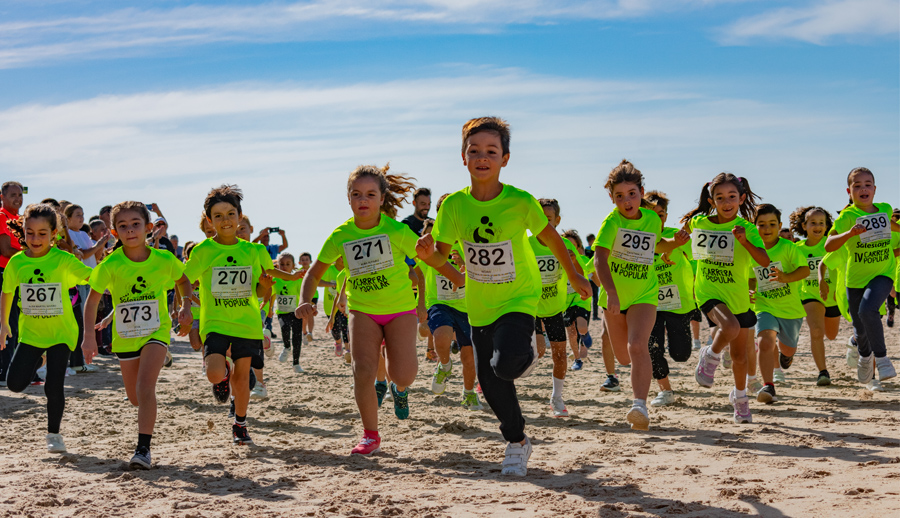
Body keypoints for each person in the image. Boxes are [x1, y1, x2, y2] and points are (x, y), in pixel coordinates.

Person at [417, 117, 591, 476]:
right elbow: (444, 260)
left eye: (491, 151)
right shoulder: (454, 207)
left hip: (518, 297)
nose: (482, 157)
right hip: (479, 305)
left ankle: (523, 355)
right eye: (474, 150)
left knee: (506, 363)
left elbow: (550, 238)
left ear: (505, 158)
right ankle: (517, 442)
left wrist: (574, 272)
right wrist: (428, 256)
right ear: (463, 157)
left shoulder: (520, 201)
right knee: (493, 385)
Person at [296, 164, 426, 456]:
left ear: (382, 199)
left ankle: (399, 390)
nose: (363, 200)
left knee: (403, 375)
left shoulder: (397, 231)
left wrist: (422, 306)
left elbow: (423, 267)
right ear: (349, 199)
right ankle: (370, 435)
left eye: (370, 194)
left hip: (399, 309)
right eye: (356, 194)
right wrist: (306, 300)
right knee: (362, 370)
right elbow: (313, 273)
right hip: (362, 310)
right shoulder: (340, 235)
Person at [81, 201, 193, 468]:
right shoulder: (111, 264)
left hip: (156, 331)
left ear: (148, 228)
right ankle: (160, 360)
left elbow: (183, 280)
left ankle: (143, 450)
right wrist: (87, 336)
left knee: (145, 389)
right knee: (135, 397)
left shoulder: (164, 259)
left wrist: (186, 305)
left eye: (135, 224)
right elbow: (92, 301)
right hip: (126, 336)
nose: (130, 230)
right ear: (114, 231)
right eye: (123, 226)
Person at [593, 161, 686, 430]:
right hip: (614, 297)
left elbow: (657, 245)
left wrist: (674, 243)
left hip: (644, 293)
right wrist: (610, 292)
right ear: (612, 198)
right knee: (623, 357)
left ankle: (639, 407)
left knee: (638, 346)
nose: (627, 201)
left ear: (641, 192)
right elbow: (599, 258)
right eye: (619, 196)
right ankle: (638, 396)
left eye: (632, 194)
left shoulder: (652, 219)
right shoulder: (612, 222)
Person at [184, 185, 276, 446]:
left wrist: (266, 287)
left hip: (246, 322)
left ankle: (240, 424)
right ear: (209, 220)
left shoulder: (255, 252)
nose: (225, 220)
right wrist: (186, 306)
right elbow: (184, 281)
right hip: (215, 321)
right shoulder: (203, 251)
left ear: (240, 215)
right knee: (214, 373)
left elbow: (259, 290)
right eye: (218, 216)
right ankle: (222, 376)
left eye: (231, 213)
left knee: (243, 378)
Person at [0, 203, 92, 453]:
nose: (36, 238)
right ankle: (39, 360)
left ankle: (54, 434)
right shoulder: (17, 263)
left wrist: (116, 273)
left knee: (54, 386)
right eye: (30, 232)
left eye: (43, 233)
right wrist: (3, 324)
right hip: (31, 333)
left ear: (54, 233)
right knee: (15, 384)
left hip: (61, 332)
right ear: (23, 231)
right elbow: (7, 291)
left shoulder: (62, 259)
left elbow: (89, 277)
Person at [684, 173, 769, 424]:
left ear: (741, 198)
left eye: (732, 196)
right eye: (720, 197)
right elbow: (680, 236)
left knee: (740, 357)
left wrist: (743, 241)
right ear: (712, 201)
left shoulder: (748, 229)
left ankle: (740, 398)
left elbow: (764, 260)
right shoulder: (699, 222)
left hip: (739, 297)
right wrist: (670, 248)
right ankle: (710, 355)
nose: (726, 202)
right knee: (728, 326)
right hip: (708, 291)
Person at [825, 167, 898, 387]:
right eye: (857, 186)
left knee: (868, 310)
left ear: (874, 189)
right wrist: (850, 234)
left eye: (867, 184)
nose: (863, 189)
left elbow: (893, 227)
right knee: (860, 328)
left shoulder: (884, 209)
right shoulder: (847, 216)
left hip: (884, 273)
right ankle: (865, 357)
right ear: (849, 191)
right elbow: (829, 244)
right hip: (855, 279)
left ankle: (883, 359)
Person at [420, 203, 482, 411]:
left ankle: (469, 393)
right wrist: (419, 306)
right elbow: (417, 275)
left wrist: (467, 268)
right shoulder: (431, 244)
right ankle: (444, 365)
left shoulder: (468, 240)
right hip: (440, 301)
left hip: (467, 305)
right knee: (442, 336)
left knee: (469, 356)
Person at [749, 204, 810, 404]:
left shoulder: (788, 247)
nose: (767, 229)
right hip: (764, 305)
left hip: (790, 309)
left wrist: (785, 277)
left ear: (780, 225)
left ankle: (786, 357)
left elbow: (804, 270)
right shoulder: (752, 251)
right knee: (765, 341)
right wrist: (750, 289)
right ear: (754, 226)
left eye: (772, 224)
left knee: (788, 349)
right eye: (762, 224)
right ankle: (769, 385)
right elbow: (751, 277)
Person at [643, 191, 697, 407]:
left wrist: (695, 285)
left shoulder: (678, 235)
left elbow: (696, 261)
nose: (658, 218)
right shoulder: (639, 237)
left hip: (679, 302)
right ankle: (665, 390)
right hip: (648, 301)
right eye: (652, 214)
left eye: (662, 214)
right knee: (652, 347)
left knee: (681, 354)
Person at [530, 198, 582, 417]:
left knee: (560, 355)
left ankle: (557, 399)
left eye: (548, 219)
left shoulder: (565, 244)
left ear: (557, 220)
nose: (543, 223)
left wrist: (572, 261)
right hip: (530, 307)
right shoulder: (527, 244)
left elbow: (580, 272)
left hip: (554, 307)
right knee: (537, 352)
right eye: (539, 218)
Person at [790, 206, 840, 386]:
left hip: (834, 297)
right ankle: (823, 372)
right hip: (810, 295)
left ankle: (853, 342)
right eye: (813, 223)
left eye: (821, 223)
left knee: (832, 335)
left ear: (827, 226)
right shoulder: (797, 248)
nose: (817, 226)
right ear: (804, 226)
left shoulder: (831, 244)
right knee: (816, 331)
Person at [0, 181, 25, 385]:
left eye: (20, 195)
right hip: (3, 274)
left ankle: (11, 370)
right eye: (12, 195)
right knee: (6, 324)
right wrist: (33, 253)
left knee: (15, 325)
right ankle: (4, 372)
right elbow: (6, 250)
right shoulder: (2, 216)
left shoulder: (18, 219)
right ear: (2, 197)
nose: (18, 198)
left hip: (17, 276)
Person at [559, 229, 594, 372]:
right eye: (565, 246)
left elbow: (592, 276)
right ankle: (577, 359)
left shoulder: (584, 261)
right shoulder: (558, 262)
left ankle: (585, 335)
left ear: (578, 247)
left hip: (581, 300)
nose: (569, 250)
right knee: (571, 334)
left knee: (581, 327)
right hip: (565, 302)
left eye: (572, 246)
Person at [274, 252, 305, 372]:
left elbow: (302, 294)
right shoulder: (275, 279)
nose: (285, 266)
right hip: (282, 312)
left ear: (293, 266)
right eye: (281, 264)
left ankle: (296, 363)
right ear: (277, 265)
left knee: (297, 337)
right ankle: (286, 347)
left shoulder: (297, 280)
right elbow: (271, 294)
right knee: (285, 328)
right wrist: (269, 308)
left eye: (288, 264)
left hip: (296, 311)